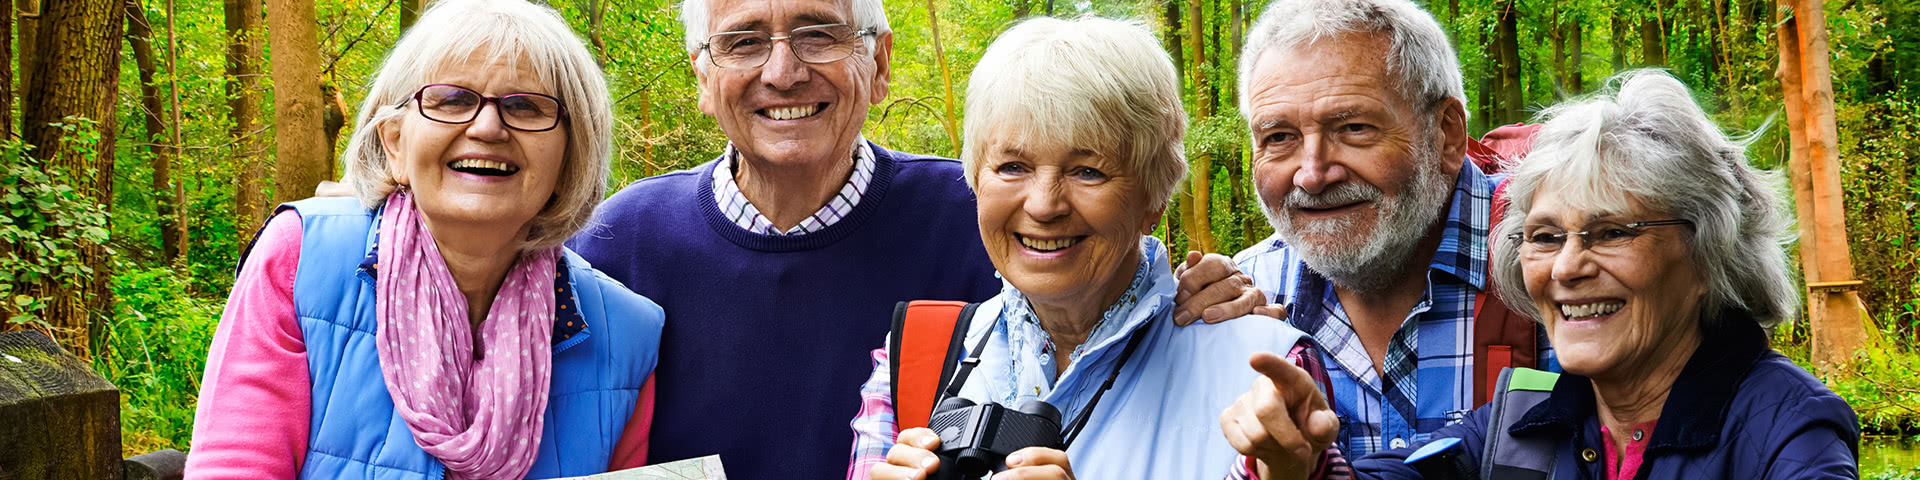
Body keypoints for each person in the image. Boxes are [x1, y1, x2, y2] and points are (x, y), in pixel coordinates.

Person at [566, 0, 1264, 477]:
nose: (782, 71)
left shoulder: (987, 217)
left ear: (881, 61)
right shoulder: (619, 245)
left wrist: (1200, 300)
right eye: (744, 40)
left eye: (818, 33)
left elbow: (1114, 281)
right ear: (703, 77)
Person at [1239, 70, 1860, 480]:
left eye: (1613, 231)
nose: (1567, 267)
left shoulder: (1787, 425)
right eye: (1544, 237)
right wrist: (1299, 464)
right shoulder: (1526, 417)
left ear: (1706, 253)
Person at [184, 1, 664, 478]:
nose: (488, 127)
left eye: (525, 106)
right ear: (395, 143)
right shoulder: (301, 259)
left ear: (569, 155)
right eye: (452, 99)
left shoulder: (626, 334)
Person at [849, 17, 1328, 480]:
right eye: (1013, 166)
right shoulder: (914, 357)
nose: (1043, 205)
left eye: (1088, 171)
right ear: (976, 180)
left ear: (1154, 199)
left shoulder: (1270, 373)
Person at [1226, 0, 1554, 459]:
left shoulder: (1561, 261)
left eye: (1354, 128)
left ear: (1447, 134)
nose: (1312, 175)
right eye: (1279, 138)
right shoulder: (1241, 301)